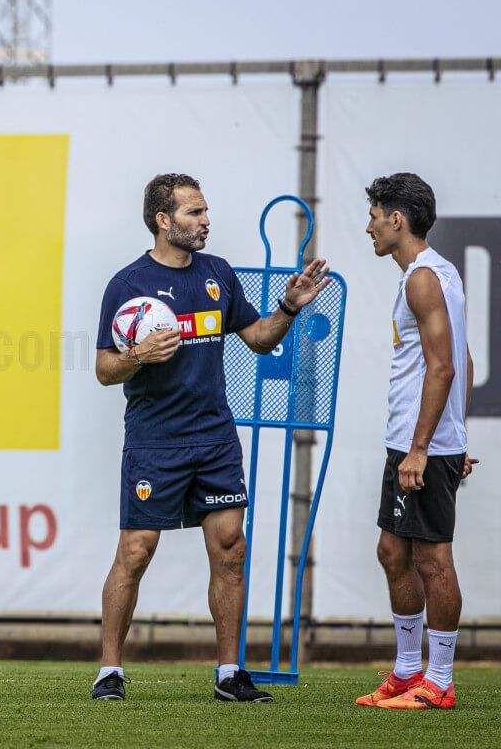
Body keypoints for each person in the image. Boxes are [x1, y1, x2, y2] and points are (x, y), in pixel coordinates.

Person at [91, 173, 332, 703]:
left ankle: (229, 673)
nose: (205, 221)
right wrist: (138, 355)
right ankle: (109, 672)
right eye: (194, 212)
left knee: (230, 550)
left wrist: (289, 307)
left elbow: (259, 339)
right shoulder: (127, 284)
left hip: (216, 439)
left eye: (205, 211)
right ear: (163, 220)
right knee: (136, 551)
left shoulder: (218, 274)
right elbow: (104, 369)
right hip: (155, 440)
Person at [355, 173, 476, 710]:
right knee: (392, 552)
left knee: (433, 560)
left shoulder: (423, 279)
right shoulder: (437, 273)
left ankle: (440, 681)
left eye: (375, 216)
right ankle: (408, 671)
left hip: (419, 445)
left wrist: (427, 448)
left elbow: (445, 366)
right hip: (414, 441)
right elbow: (463, 359)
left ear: (396, 219)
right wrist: (451, 436)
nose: (370, 227)